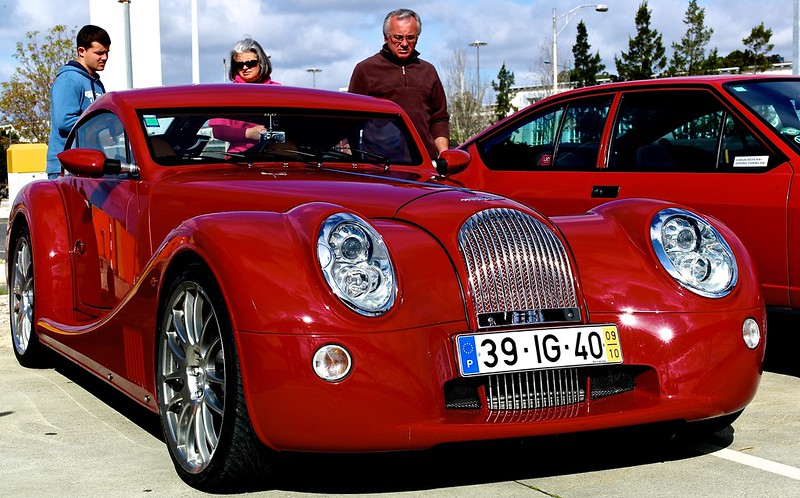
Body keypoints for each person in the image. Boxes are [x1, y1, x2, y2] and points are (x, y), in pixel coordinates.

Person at [348, 8, 450, 159]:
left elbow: (439, 118)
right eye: (398, 37)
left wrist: (444, 154)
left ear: (417, 38)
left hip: (425, 165)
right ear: (386, 37)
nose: (404, 43)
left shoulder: (428, 71)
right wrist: (356, 158)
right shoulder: (365, 70)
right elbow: (351, 120)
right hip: (380, 167)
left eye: (410, 37)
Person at [46, 24, 111, 179]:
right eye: (99, 53)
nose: (105, 58)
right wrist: (102, 123)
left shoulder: (97, 83)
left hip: (91, 165)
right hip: (67, 167)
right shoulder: (68, 80)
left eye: (107, 53)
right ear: (82, 51)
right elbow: (64, 121)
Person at [210, 38, 280, 154]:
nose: (245, 68)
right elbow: (218, 130)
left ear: (262, 63)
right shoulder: (226, 94)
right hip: (238, 159)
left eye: (250, 63)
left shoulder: (278, 91)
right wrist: (248, 134)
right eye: (239, 64)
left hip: (278, 156)